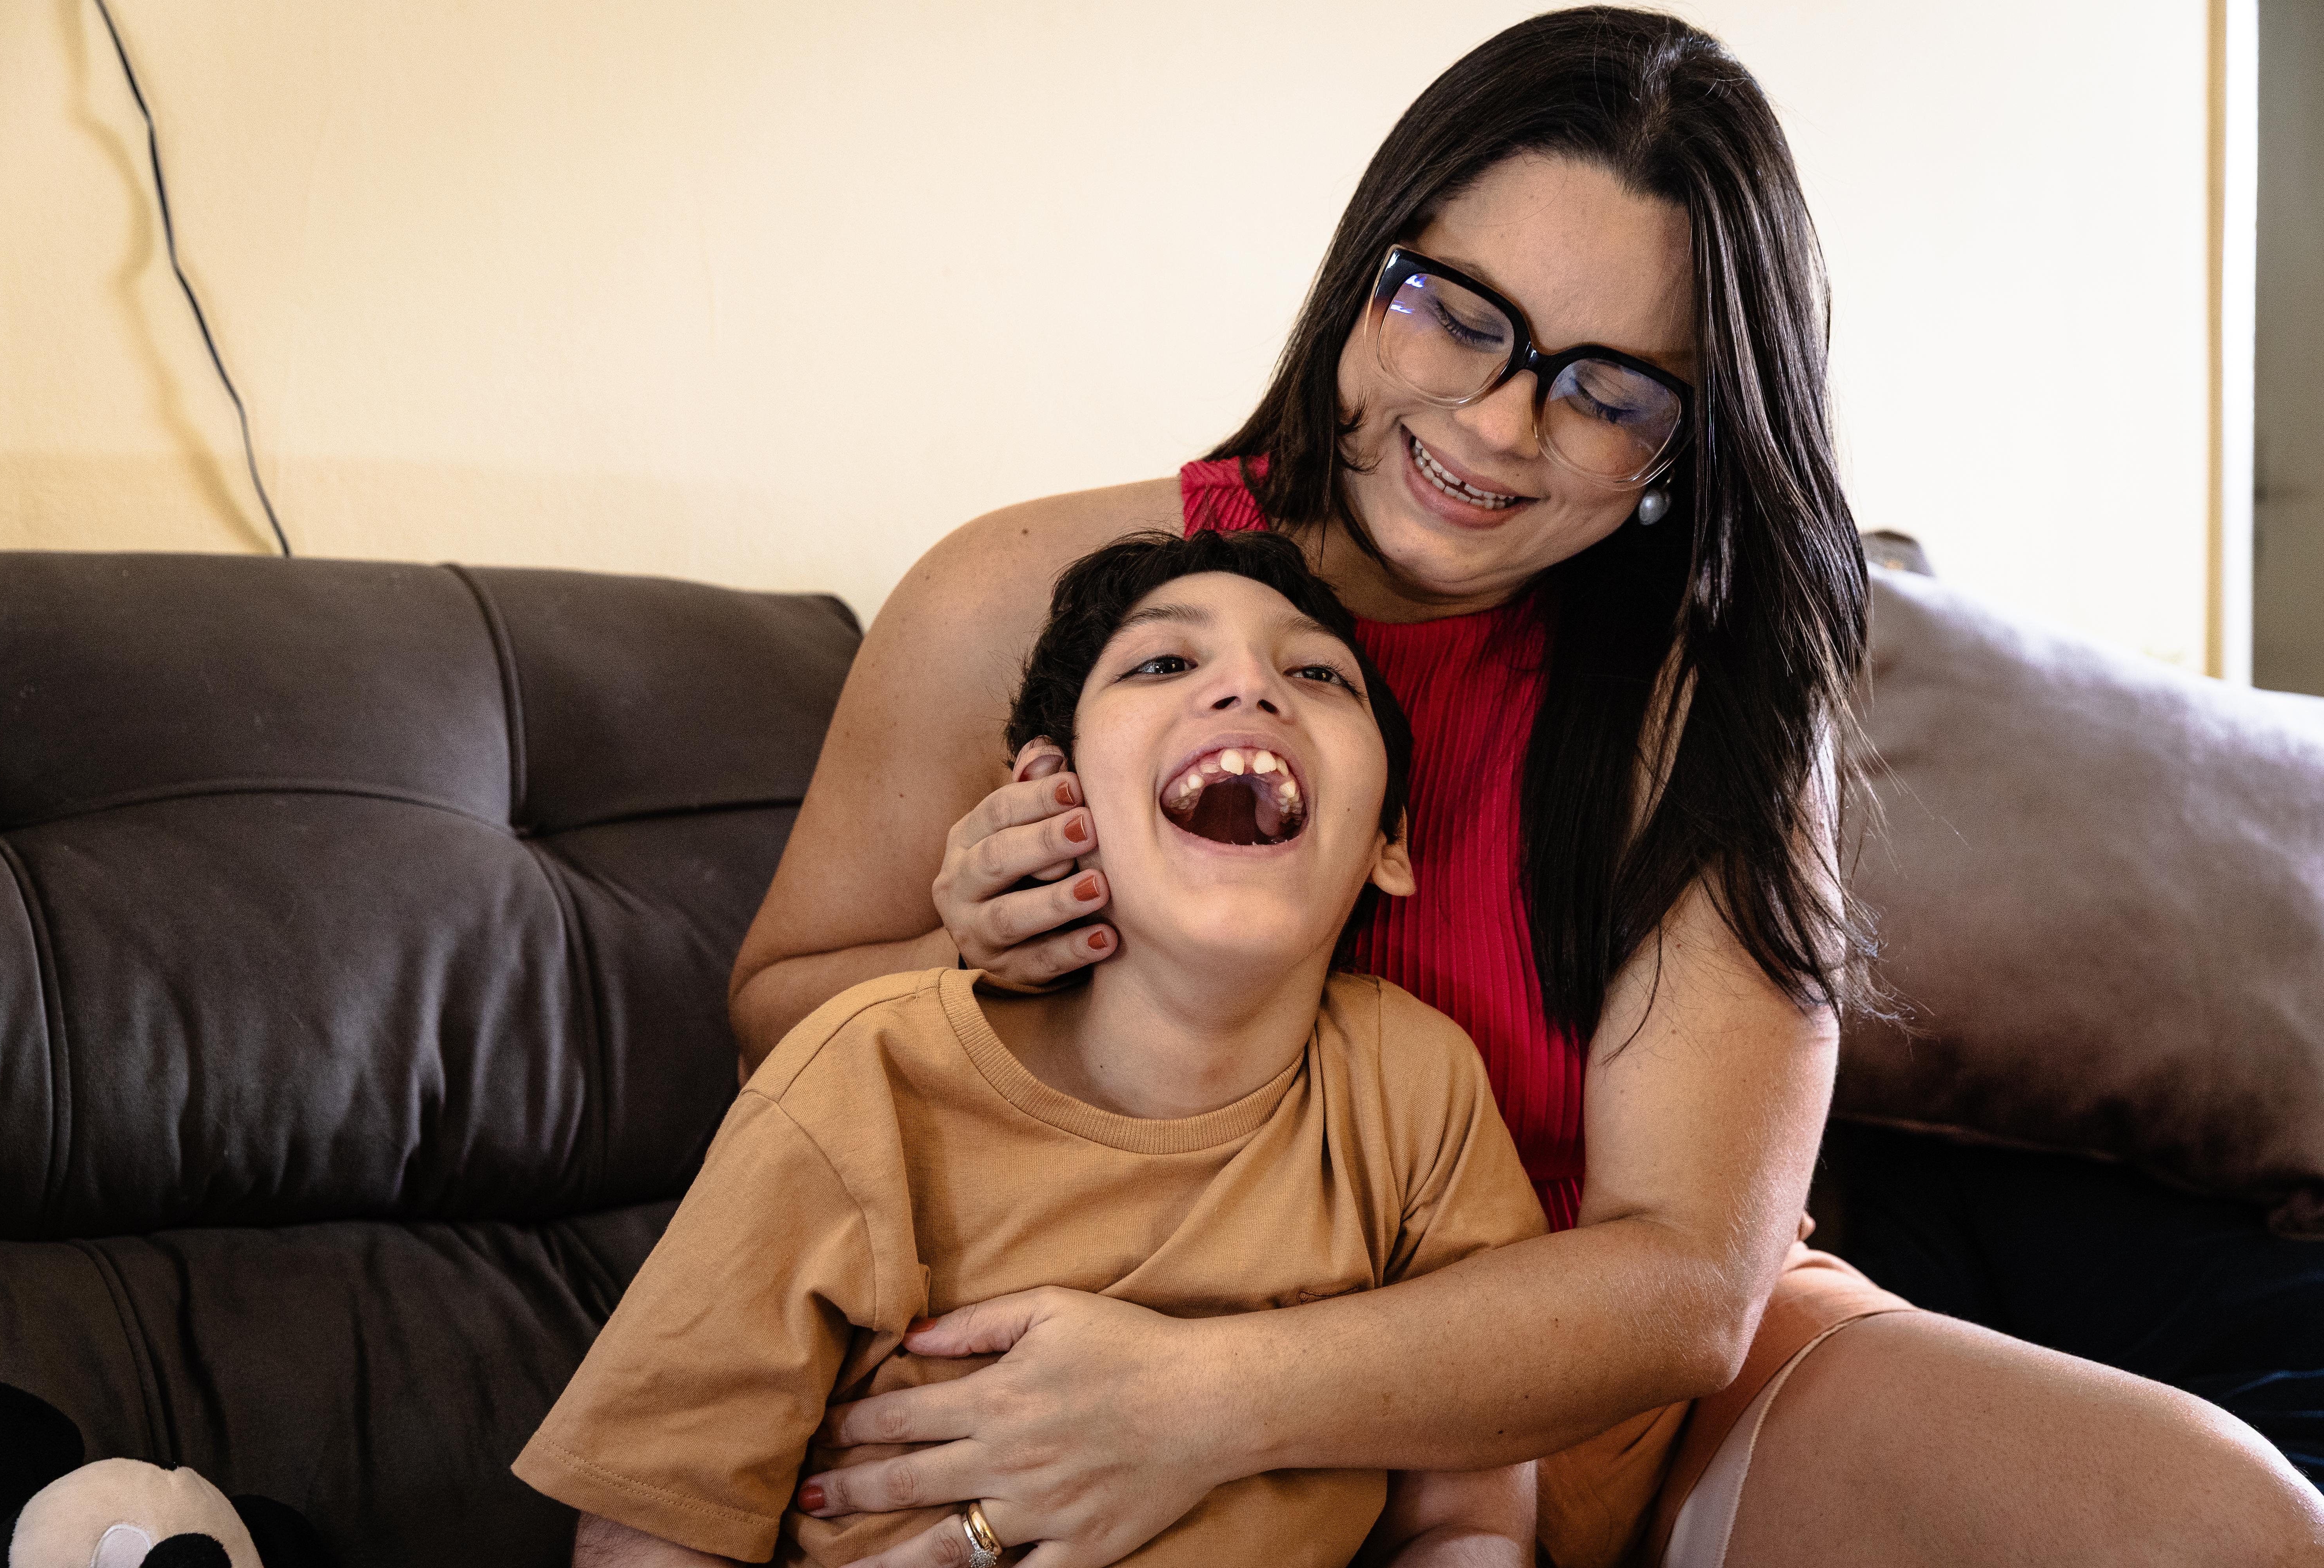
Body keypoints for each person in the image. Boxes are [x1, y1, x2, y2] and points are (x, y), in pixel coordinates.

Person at [729, 9, 2324, 1567]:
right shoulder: (1026, 591)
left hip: (1590, 1381)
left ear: (1682, 447)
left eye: (1612, 390)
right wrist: (979, 957)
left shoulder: (1695, 696)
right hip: (1129, 1298)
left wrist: (1205, 1403)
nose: (1497, 424)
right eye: (1459, 311)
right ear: (1371, 274)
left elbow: (1694, 1280)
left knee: (2235, 1520)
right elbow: (776, 1016)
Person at [520, 529, 1555, 1568]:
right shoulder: (867, 1074)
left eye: (1316, 674)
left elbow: (1466, 1507)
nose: (1250, 687)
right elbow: (649, 1524)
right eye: (1164, 663)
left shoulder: (1416, 1087)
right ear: (1048, 799)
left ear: (1391, 844)